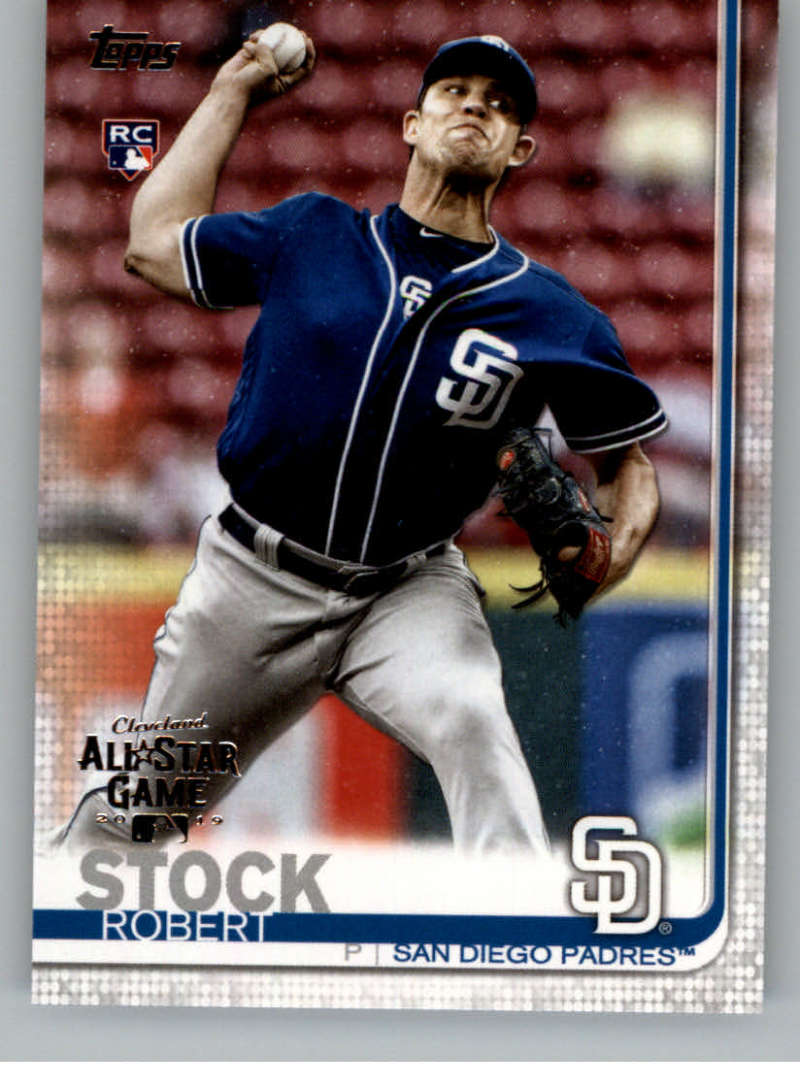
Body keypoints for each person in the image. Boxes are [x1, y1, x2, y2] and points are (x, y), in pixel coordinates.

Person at [56, 30, 665, 854]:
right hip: (251, 580)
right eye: (455, 93)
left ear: (520, 149)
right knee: (133, 818)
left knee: (472, 720)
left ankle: (517, 925)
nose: (476, 108)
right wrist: (232, 89)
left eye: (499, 105)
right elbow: (153, 243)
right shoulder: (313, 234)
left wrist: (608, 557)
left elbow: (628, 466)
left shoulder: (552, 313)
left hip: (407, 589)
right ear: (412, 123)